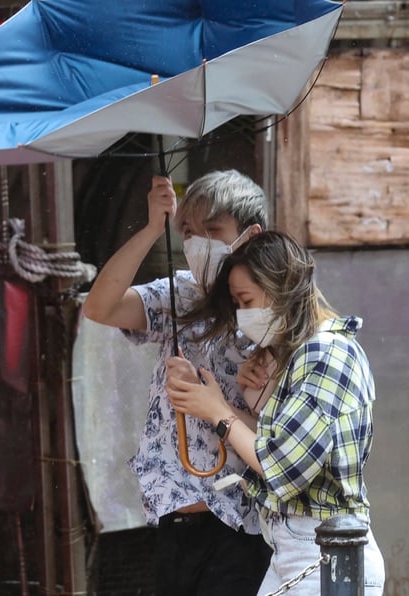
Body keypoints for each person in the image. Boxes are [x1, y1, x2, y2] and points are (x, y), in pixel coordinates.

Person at [82, 169, 272, 596]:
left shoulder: (266, 313)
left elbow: (280, 439)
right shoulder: (179, 295)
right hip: (175, 517)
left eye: (212, 230)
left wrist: (217, 401)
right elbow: (100, 307)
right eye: (188, 231)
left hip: (243, 522)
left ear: (249, 235)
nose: (197, 242)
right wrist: (153, 228)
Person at [165, 231, 385, 596]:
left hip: (326, 554)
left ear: (280, 287)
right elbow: (278, 446)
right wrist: (232, 402)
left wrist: (219, 411)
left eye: (246, 300)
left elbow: (281, 466)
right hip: (299, 550)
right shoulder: (307, 354)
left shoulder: (328, 353)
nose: (241, 315)